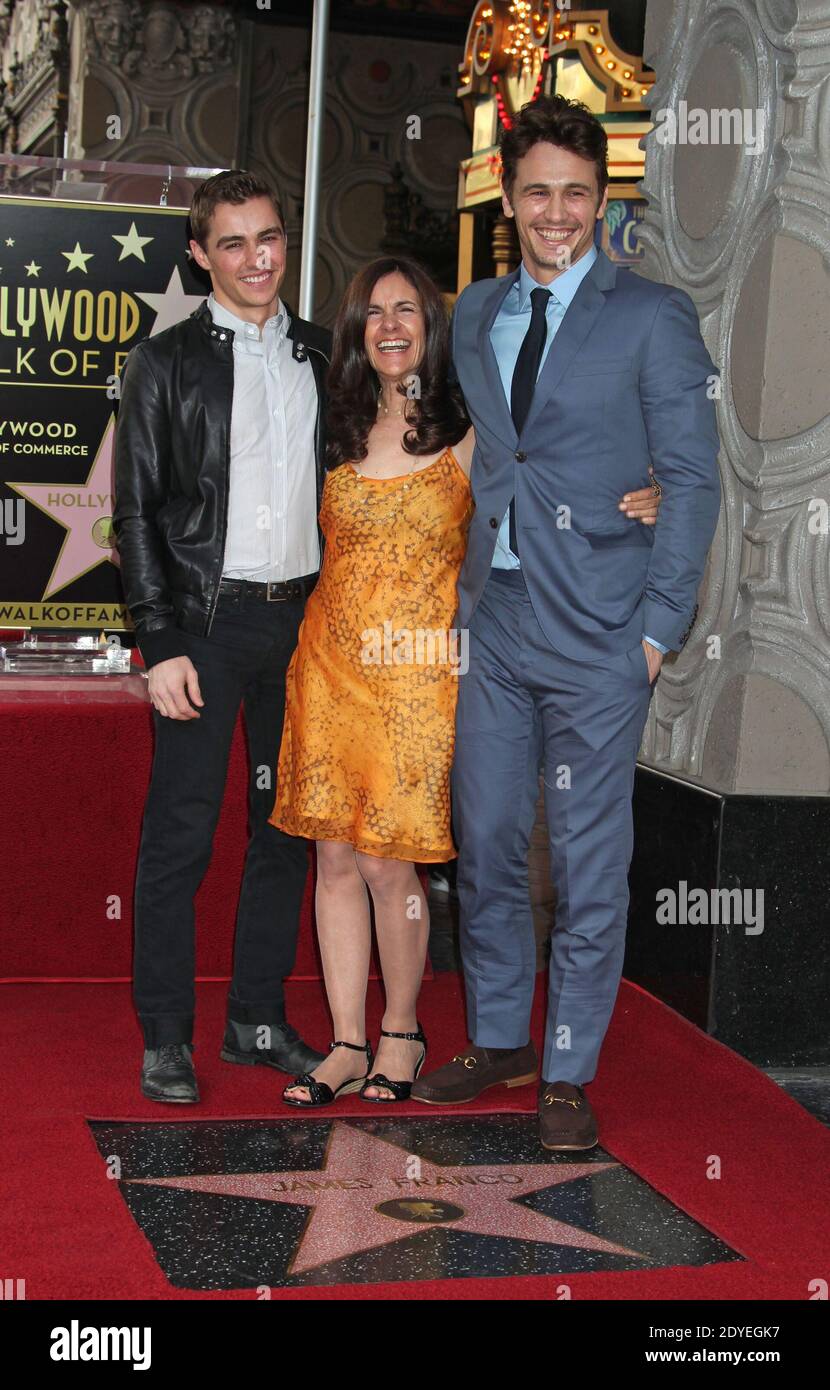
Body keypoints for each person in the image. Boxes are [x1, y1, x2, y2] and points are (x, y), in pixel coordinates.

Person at [268, 255, 662, 1107]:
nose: (391, 326)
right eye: (374, 313)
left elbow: (562, 451)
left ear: (433, 328)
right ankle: (343, 1041)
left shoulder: (470, 427)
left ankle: (401, 1033)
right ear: (357, 331)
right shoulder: (334, 424)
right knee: (332, 857)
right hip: (330, 669)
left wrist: (652, 487)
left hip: (418, 680)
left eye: (408, 310)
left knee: (386, 865)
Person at [410, 95, 721, 1150]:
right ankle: (499, 1033)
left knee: (588, 858)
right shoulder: (476, 307)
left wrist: (654, 627)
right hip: (493, 619)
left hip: (598, 631)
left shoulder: (650, 316)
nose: (556, 212)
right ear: (508, 195)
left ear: (601, 203)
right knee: (486, 837)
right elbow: (501, 452)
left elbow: (689, 478)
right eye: (536, 191)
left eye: (576, 195)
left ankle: (567, 1064)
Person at [113, 170, 329, 1103]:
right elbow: (136, 516)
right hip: (204, 628)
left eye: (270, 238)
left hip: (305, 628)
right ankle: (166, 1033)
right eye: (234, 243)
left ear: (288, 242)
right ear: (200, 255)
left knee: (284, 830)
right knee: (182, 836)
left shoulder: (327, 355)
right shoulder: (161, 365)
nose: (257, 259)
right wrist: (158, 641)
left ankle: (256, 1018)